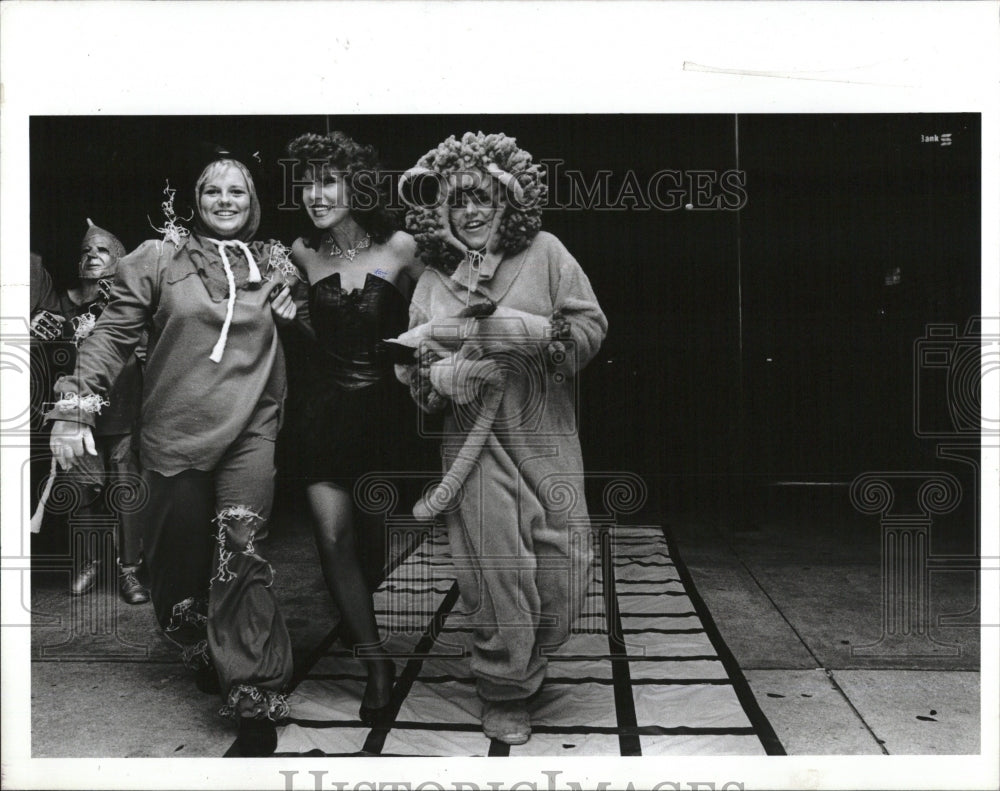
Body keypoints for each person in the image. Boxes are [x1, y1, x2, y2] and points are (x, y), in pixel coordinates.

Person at [47, 154, 299, 756]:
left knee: (240, 550)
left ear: (253, 198)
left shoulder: (274, 263)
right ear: (196, 199)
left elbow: (316, 324)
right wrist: (73, 410)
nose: (226, 200)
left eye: (238, 190)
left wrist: (299, 314)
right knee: (177, 569)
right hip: (176, 433)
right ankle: (204, 642)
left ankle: (254, 695)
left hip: (251, 428)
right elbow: (111, 335)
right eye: (213, 190)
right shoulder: (159, 258)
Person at [395, 132, 608, 745]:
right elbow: (414, 364)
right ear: (440, 209)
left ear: (508, 202)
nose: (470, 210)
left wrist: (534, 331)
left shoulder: (547, 254)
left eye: (482, 197)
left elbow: (590, 327)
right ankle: (505, 687)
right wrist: (439, 378)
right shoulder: (435, 278)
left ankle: (530, 659)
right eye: (457, 200)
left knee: (564, 570)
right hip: (472, 449)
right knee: (496, 573)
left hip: (547, 438)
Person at [283, 131, 424, 725]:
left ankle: (355, 617)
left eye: (328, 181)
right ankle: (375, 662)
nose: (315, 195)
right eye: (307, 182)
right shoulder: (299, 252)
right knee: (333, 540)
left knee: (372, 542)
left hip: (388, 421)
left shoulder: (401, 247)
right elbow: (319, 343)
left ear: (356, 186)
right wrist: (292, 321)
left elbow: (429, 320)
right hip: (320, 416)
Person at [31, 221, 150, 604]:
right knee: (81, 488)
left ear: (119, 259)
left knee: (126, 486)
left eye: (102, 251)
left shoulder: (130, 301)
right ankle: (90, 562)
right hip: (77, 412)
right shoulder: (61, 300)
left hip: (124, 409)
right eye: (86, 251)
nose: (92, 257)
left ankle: (130, 570)